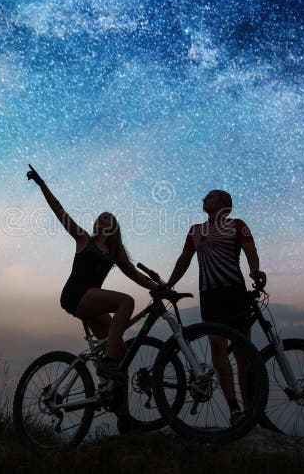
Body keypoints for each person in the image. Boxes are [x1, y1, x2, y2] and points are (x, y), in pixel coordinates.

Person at [26, 164, 160, 434]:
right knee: (125, 302)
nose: (103, 219)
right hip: (76, 294)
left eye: (109, 217)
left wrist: (159, 287)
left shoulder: (115, 254)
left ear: (114, 227)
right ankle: (107, 367)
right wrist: (41, 184)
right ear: (97, 224)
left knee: (120, 353)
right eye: (101, 216)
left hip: (92, 302)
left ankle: (123, 417)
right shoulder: (83, 239)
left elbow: (136, 276)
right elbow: (59, 211)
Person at [166, 189, 266, 424]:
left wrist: (255, 271)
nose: (203, 199)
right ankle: (234, 409)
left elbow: (250, 250)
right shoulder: (195, 230)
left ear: (225, 203)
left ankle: (251, 410)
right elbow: (184, 259)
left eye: (210, 196)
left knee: (243, 353)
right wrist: (168, 285)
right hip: (209, 296)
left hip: (235, 293)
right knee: (217, 347)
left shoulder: (238, 224)